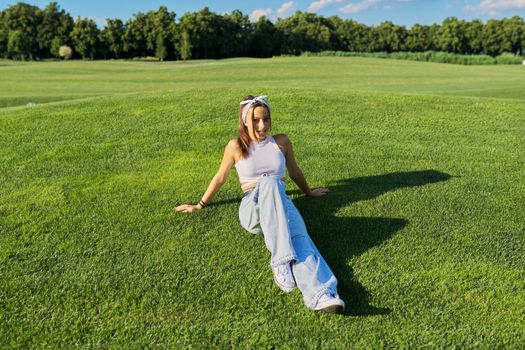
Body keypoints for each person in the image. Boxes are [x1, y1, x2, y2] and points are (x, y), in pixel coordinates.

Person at [175, 95, 345, 314]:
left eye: (265, 119)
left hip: (281, 203)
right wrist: (199, 205)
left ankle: (322, 294)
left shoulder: (281, 142)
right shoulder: (235, 146)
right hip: (252, 208)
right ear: (245, 121)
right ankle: (280, 261)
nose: (262, 125)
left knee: (301, 240)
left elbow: (294, 172)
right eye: (255, 120)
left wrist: (309, 192)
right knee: (270, 181)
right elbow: (220, 177)